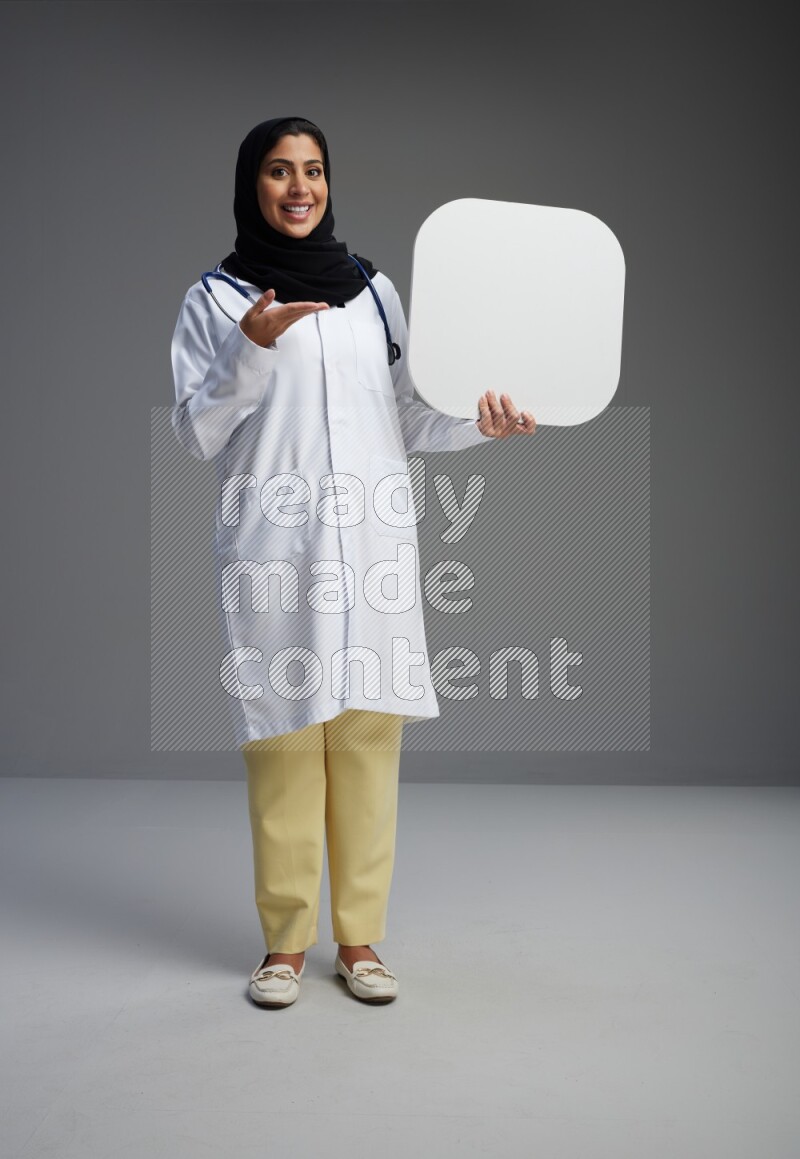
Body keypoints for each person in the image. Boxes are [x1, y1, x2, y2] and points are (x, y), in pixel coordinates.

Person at [170, 116, 536, 1009]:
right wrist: (250, 351)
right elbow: (195, 431)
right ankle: (285, 945)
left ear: (331, 184)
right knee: (287, 744)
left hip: (371, 547)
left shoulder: (372, 292)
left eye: (315, 171)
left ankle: (360, 939)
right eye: (279, 172)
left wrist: (474, 424)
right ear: (250, 186)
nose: (300, 188)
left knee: (370, 743)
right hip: (278, 550)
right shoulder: (217, 302)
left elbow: (407, 414)